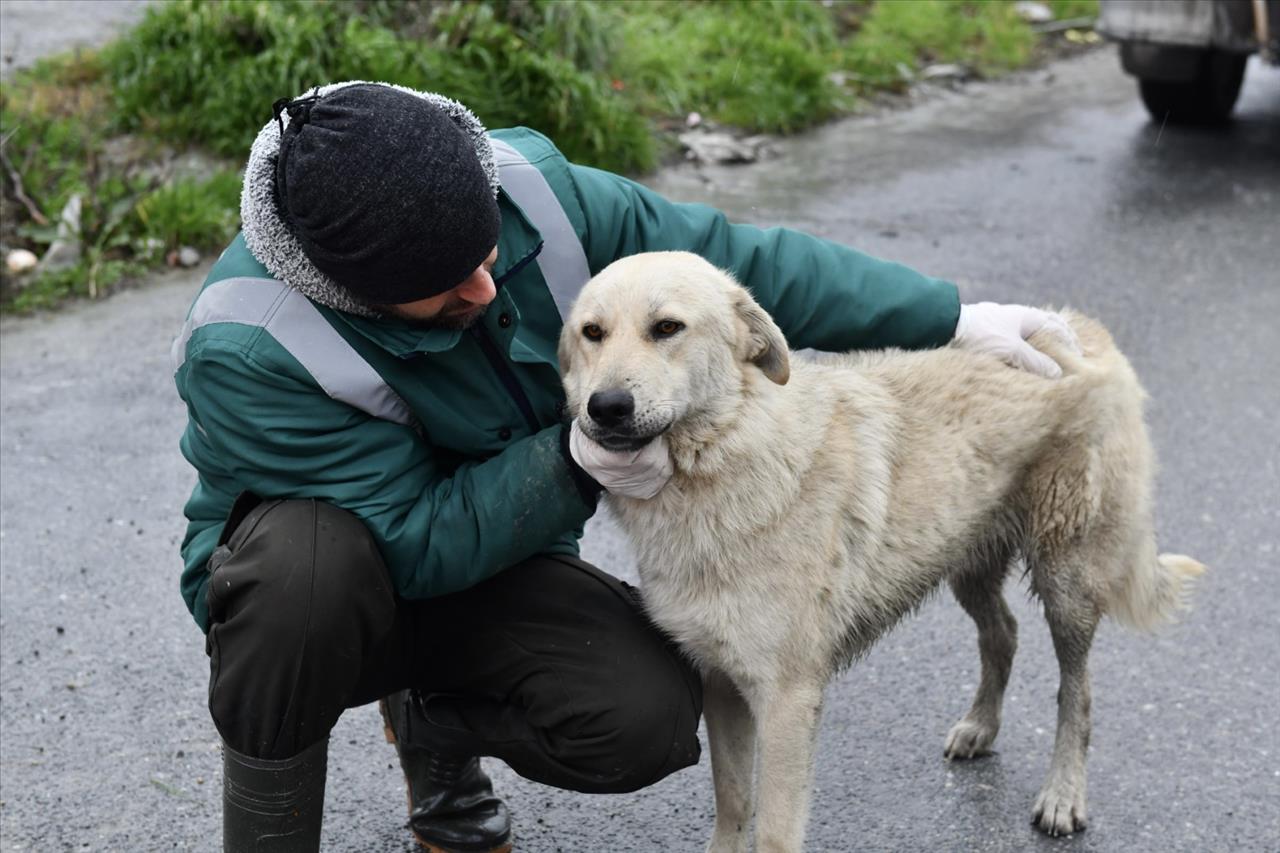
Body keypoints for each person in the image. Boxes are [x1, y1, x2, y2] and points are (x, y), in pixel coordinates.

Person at [173, 80, 1076, 853]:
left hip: (500, 554)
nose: (487, 290)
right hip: (334, 593)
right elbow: (411, 545)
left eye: (486, 252)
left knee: (640, 717)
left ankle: (432, 719)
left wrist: (948, 315)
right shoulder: (250, 344)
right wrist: (577, 462)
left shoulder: (531, 187)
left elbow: (733, 267)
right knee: (307, 575)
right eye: (446, 285)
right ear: (354, 288)